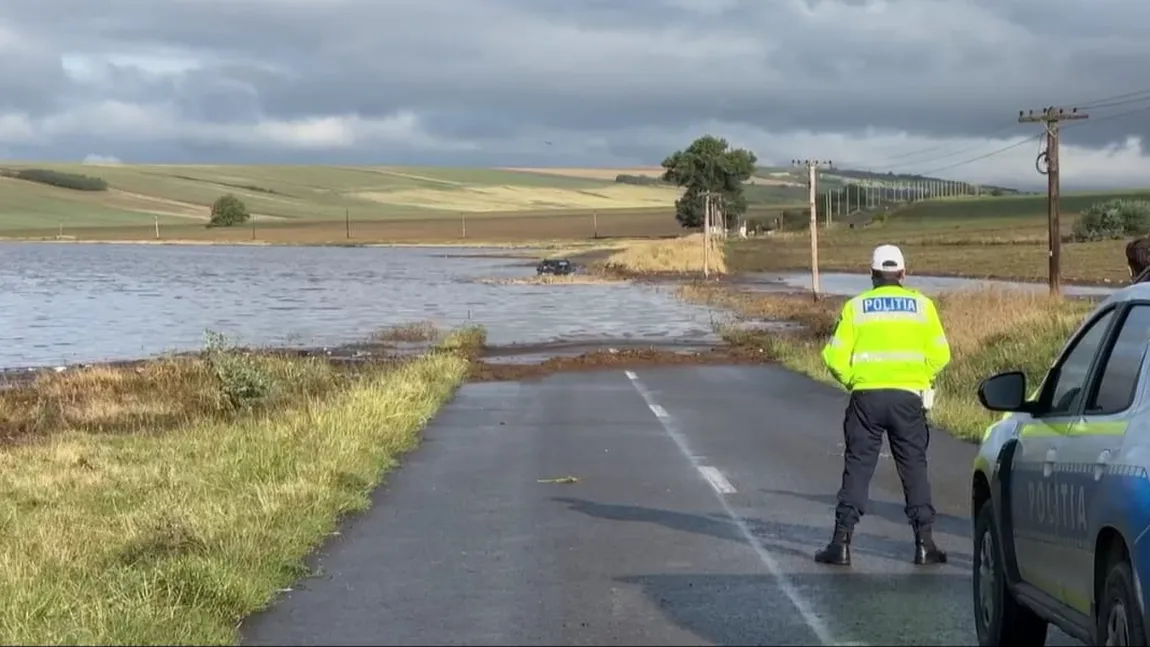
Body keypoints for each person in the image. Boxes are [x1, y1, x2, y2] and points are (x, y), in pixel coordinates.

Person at [814, 244, 951, 567]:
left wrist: (853, 380)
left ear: (872, 275)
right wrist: (918, 376)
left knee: (858, 466)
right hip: (908, 398)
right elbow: (941, 355)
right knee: (914, 467)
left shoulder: (856, 307)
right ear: (903, 274)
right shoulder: (923, 306)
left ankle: (841, 543)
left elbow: (832, 355)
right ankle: (924, 544)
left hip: (866, 398)